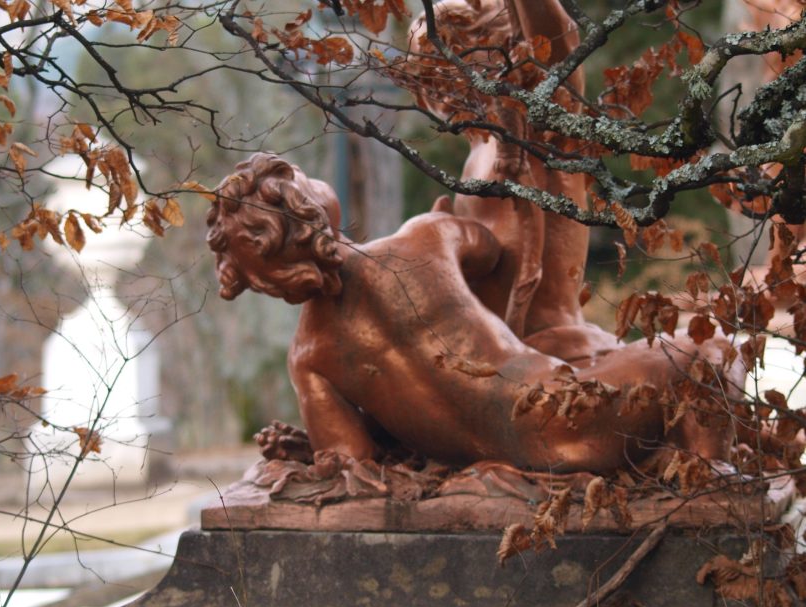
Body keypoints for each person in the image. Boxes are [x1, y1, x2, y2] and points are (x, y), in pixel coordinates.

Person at [206, 153, 742, 472]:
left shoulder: (310, 358)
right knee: (708, 356)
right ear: (312, 207)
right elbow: (492, 252)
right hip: (572, 412)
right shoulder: (423, 240)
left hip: (513, 453)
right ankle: (721, 499)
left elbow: (351, 458)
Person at [405, 0, 619, 364]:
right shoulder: (477, 155)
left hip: (551, 348)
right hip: (495, 354)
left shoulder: (532, 119)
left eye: (446, 66)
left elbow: (551, 43)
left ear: (492, 52)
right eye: (425, 78)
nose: (436, 91)